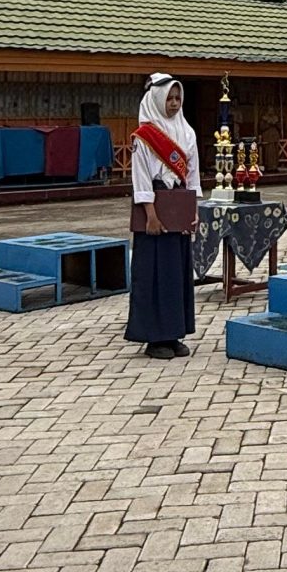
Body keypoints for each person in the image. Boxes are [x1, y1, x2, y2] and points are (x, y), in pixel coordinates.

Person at [128, 74, 197, 359]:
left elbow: (192, 176)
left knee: (176, 274)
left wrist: (193, 212)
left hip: (178, 205)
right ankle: (154, 338)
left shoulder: (187, 132)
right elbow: (141, 178)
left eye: (177, 98)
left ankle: (174, 332)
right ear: (157, 99)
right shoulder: (144, 137)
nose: (173, 103)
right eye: (169, 98)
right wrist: (151, 216)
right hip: (154, 207)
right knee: (154, 274)